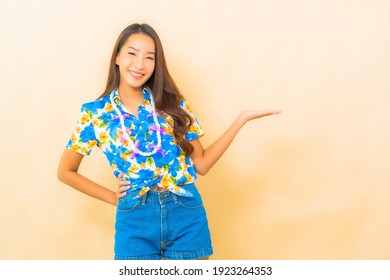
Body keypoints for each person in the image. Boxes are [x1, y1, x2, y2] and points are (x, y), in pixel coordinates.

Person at [57, 23, 281, 260]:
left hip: (184, 211)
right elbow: (65, 171)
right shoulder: (95, 113)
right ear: (117, 57)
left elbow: (201, 165)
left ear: (156, 64)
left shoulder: (172, 103)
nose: (140, 64)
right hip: (134, 218)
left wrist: (241, 120)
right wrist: (112, 197)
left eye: (149, 57)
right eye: (132, 53)